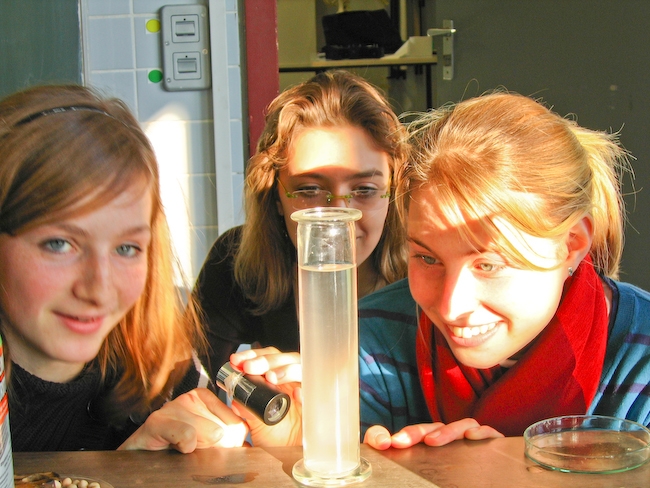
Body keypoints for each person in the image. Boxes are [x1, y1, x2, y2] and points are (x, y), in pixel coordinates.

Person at [357, 91, 650, 450]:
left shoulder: (641, 357)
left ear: (571, 244)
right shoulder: (367, 340)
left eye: (488, 265)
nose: (451, 307)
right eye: (428, 259)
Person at [0, 84, 252, 452]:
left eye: (126, 248)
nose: (99, 289)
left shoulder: (168, 375)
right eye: (59, 244)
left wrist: (282, 447)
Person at [193, 70, 409, 379]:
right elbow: (191, 382)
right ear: (275, 197)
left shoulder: (425, 277)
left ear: (393, 192)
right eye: (309, 190)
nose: (338, 217)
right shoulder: (236, 262)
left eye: (364, 190)